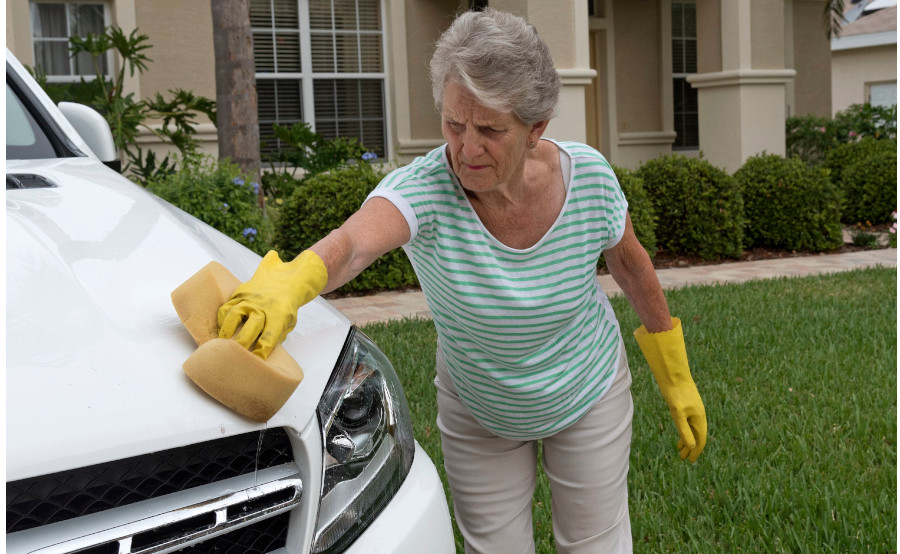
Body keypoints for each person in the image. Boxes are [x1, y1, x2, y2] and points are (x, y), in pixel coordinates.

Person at [217, 8, 706, 553]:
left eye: (492, 130)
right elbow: (354, 244)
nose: (467, 148)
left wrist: (675, 371)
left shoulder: (587, 177)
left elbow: (630, 263)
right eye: (455, 124)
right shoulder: (425, 190)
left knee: (596, 543)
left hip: (587, 389)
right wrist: (295, 279)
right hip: (480, 405)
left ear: (536, 127)